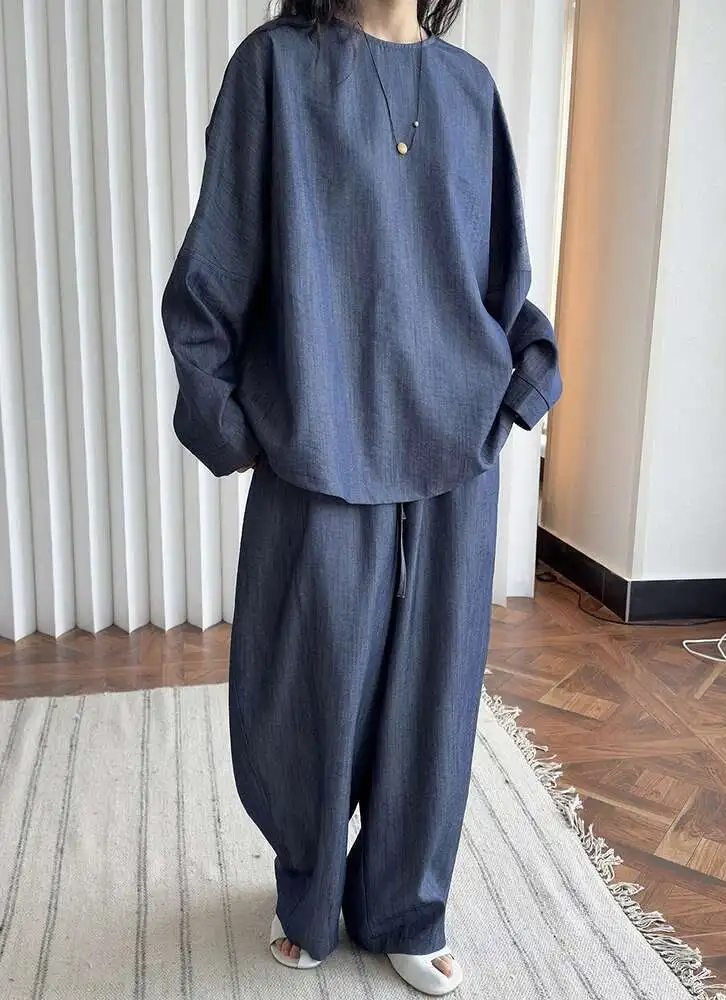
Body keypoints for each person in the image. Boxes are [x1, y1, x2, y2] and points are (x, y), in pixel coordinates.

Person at [162, 0, 561, 994]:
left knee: (434, 696)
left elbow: (500, 275)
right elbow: (215, 268)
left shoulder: (469, 90)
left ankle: (405, 907)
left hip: (455, 439)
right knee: (306, 687)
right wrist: (237, 424)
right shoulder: (273, 71)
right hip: (320, 439)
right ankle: (310, 892)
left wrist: (520, 388)